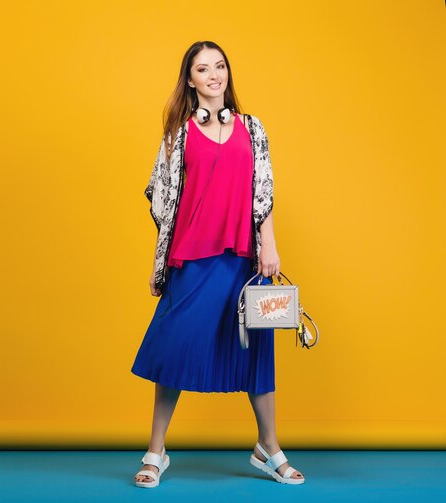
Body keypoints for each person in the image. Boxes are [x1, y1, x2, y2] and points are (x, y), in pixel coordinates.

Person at [130, 41, 305, 488]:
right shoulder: (179, 133)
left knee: (255, 354)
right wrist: (161, 263)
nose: (214, 75)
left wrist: (269, 245)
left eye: (220, 66)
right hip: (192, 255)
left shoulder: (252, 127)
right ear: (190, 80)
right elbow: (160, 196)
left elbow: (263, 192)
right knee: (175, 348)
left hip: (242, 259)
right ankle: (156, 450)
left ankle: (269, 447)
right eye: (203, 69)